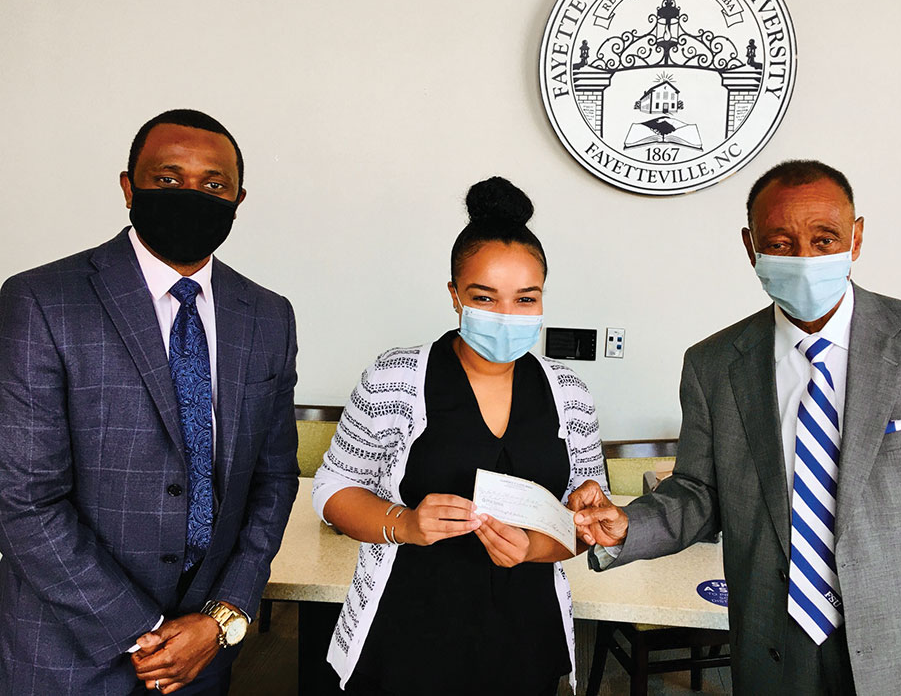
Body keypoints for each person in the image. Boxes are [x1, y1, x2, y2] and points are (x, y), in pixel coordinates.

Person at [570, 160, 901, 695]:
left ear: (857, 238)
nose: (805, 258)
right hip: (771, 650)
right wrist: (628, 526)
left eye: (825, 239)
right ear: (751, 247)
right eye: (781, 243)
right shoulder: (714, 364)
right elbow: (699, 491)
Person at [0, 109, 300, 695]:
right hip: (67, 657)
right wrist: (151, 634)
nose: (193, 195)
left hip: (203, 656)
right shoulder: (41, 301)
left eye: (214, 185)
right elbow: (23, 501)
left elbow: (273, 480)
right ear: (128, 186)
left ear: (239, 199)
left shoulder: (267, 315)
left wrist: (219, 621)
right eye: (168, 179)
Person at [312, 177, 608, 695]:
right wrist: (403, 522)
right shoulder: (395, 378)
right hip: (407, 632)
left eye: (525, 299)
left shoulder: (570, 393)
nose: (505, 316)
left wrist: (552, 533)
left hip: (524, 637)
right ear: (454, 295)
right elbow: (332, 488)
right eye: (483, 297)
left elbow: (580, 524)